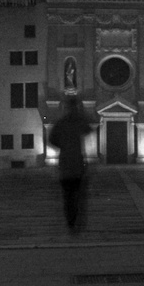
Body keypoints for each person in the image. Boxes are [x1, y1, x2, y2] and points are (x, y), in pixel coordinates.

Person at [48, 96, 92, 231]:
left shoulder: (61, 123)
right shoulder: (78, 121)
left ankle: (70, 222)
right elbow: (89, 128)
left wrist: (63, 146)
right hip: (77, 164)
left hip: (66, 164)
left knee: (68, 196)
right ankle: (75, 220)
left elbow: (51, 139)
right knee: (77, 195)